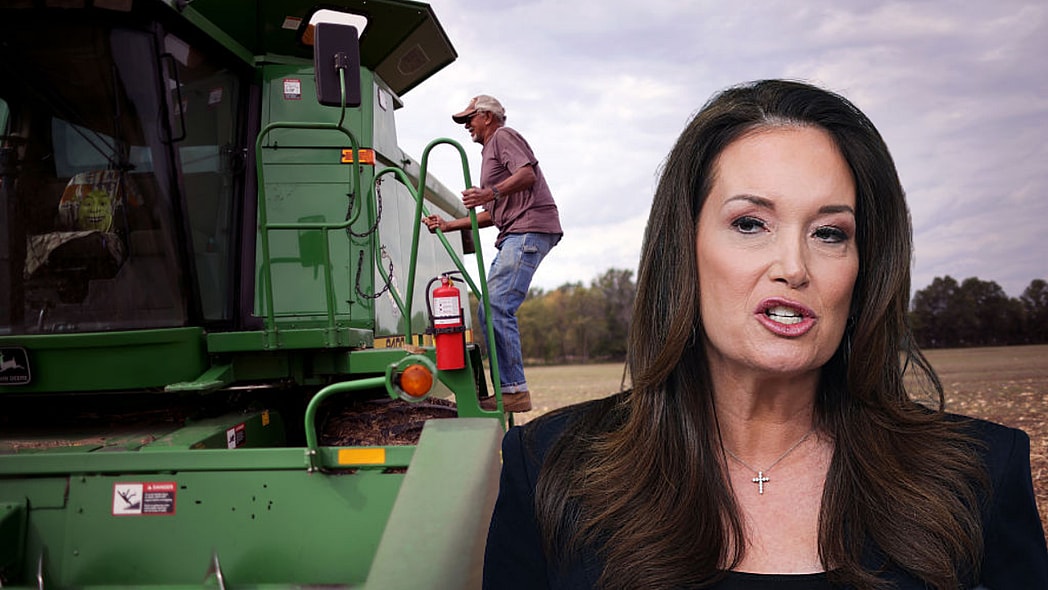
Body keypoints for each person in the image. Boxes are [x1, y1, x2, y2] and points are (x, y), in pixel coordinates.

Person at [482, 79, 1048, 589]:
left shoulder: (982, 474)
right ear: (685, 249)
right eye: (750, 223)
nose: (794, 267)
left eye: (829, 233)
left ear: (863, 266)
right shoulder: (549, 468)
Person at [423, 95, 562, 413]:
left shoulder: (503, 136)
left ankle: (514, 390)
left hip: (528, 229)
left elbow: (528, 174)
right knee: (490, 307)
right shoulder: (490, 152)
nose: (467, 126)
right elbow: (492, 213)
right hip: (516, 230)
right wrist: (449, 225)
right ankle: (511, 388)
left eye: (469, 118)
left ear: (487, 116)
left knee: (496, 305)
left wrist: (491, 192)